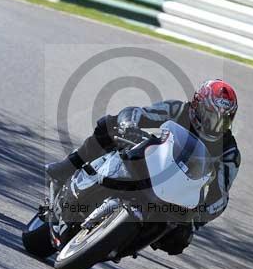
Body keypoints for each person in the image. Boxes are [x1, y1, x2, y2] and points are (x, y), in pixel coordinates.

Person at [45, 79, 241, 256]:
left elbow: (220, 195)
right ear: (198, 106)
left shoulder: (229, 151)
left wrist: (198, 219)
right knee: (110, 125)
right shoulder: (179, 110)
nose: (214, 125)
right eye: (210, 116)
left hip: (180, 194)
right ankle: (67, 168)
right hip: (154, 163)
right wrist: (128, 125)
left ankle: (121, 242)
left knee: (177, 242)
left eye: (223, 120)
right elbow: (139, 113)